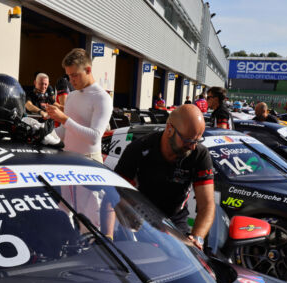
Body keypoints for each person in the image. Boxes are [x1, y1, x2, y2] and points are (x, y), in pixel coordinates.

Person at [114, 104, 215, 250]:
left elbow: (207, 204)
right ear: (169, 129)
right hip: (138, 218)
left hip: (174, 222)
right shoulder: (138, 149)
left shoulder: (199, 154)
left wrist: (197, 238)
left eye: (197, 141)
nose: (192, 147)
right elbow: (116, 194)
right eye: (188, 140)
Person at [45, 48, 112, 163]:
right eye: (69, 76)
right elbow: (65, 132)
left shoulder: (102, 97)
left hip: (89, 160)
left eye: (74, 75)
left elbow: (94, 137)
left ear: (88, 70)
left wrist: (64, 119)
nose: (71, 81)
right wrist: (43, 132)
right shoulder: (72, 96)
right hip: (68, 158)